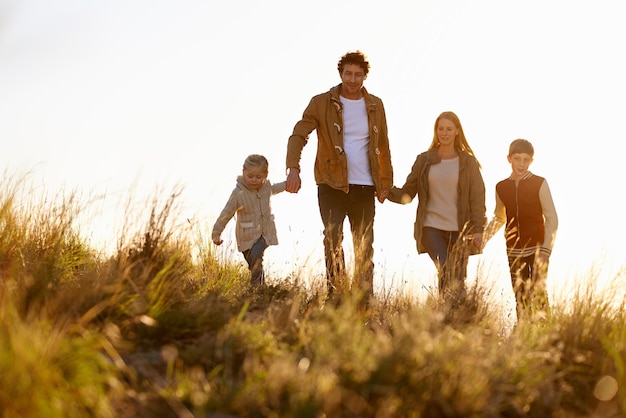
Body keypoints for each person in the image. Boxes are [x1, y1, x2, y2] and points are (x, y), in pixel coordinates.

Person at [285, 50, 394, 302]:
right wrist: (293, 167)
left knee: (364, 244)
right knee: (332, 238)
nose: (353, 80)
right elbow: (299, 135)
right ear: (340, 74)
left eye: (358, 75)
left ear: (365, 76)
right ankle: (335, 296)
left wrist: (385, 183)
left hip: (365, 185)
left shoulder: (376, 105)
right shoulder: (321, 102)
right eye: (348, 74)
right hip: (330, 182)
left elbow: (384, 146)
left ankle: (363, 300)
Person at [388, 111, 486, 303]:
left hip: (460, 230)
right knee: (447, 268)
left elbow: (477, 198)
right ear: (436, 131)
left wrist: (479, 229)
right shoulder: (424, 160)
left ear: (457, 131)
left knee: (456, 277)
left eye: (449, 129)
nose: (444, 133)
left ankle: (451, 318)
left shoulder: (467, 162)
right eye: (441, 129)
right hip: (431, 227)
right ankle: (456, 312)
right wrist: (386, 191)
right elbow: (408, 194)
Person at [483, 139, 558, 319]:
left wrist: (546, 250)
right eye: (517, 159)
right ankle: (524, 334)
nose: (521, 164)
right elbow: (500, 217)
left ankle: (547, 334)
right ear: (509, 159)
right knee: (520, 297)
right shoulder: (501, 187)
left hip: (539, 249)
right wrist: (483, 238)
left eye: (526, 159)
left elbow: (552, 218)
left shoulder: (539, 183)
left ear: (531, 161)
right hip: (513, 250)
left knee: (539, 295)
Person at [212, 154, 286, 287]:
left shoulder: (266, 187)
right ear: (243, 172)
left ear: (265, 175)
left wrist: (288, 184)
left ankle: (255, 289)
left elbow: (276, 188)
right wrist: (216, 233)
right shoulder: (238, 193)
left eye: (259, 177)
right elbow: (226, 213)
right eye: (250, 176)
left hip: (264, 233)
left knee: (257, 255)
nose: (254, 180)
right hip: (246, 236)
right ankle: (262, 289)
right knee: (253, 264)